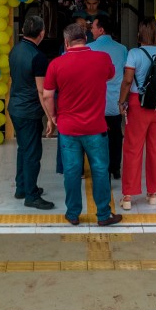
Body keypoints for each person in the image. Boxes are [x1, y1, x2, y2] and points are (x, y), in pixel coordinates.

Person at [43, 22, 122, 227]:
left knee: (71, 171)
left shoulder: (56, 64)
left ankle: (72, 214)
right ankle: (103, 215)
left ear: (66, 42)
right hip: (96, 127)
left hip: (68, 129)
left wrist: (53, 118)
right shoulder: (102, 59)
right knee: (100, 170)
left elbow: (48, 95)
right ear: (86, 39)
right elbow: (111, 75)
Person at [118, 17, 156, 210]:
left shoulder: (134, 53)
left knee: (133, 148)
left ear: (139, 33)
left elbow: (127, 80)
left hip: (138, 104)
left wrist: (121, 101)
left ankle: (127, 196)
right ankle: (152, 194)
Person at [8, 14, 54, 210]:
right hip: (29, 111)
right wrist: (51, 118)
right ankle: (32, 195)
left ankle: (22, 187)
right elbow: (42, 92)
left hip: (15, 108)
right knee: (33, 153)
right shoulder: (38, 57)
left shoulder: (15, 50)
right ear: (41, 34)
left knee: (23, 149)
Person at [87, 12, 127, 181]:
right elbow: (126, 74)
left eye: (93, 27)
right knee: (116, 135)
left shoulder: (89, 48)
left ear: (101, 30)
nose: (91, 30)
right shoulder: (122, 49)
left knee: (96, 137)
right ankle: (115, 168)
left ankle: (100, 169)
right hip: (115, 101)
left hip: (95, 102)